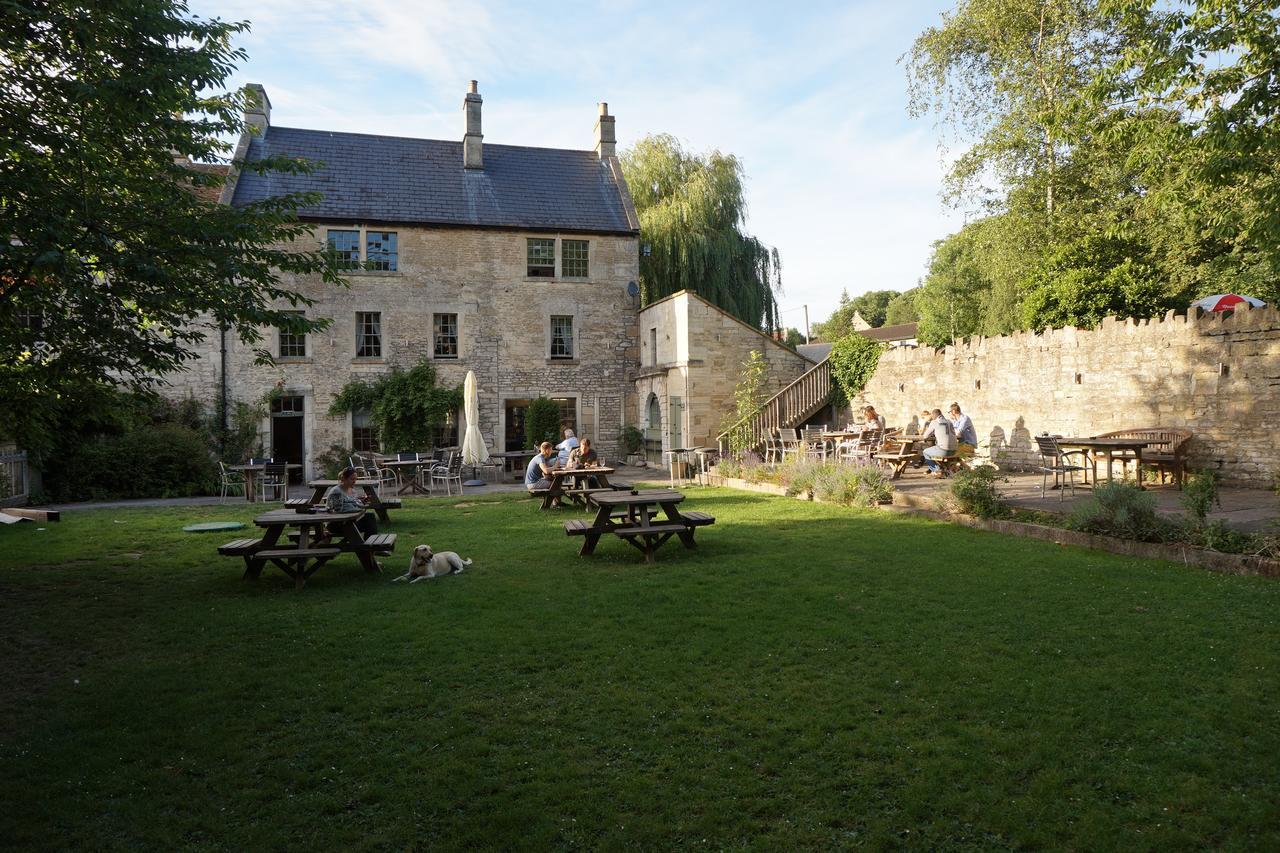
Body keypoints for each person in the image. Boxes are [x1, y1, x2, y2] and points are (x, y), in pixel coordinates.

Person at [322, 467, 378, 539]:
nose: (354, 481)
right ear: (344, 479)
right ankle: (369, 547)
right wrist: (357, 507)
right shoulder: (336, 492)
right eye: (352, 479)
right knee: (369, 522)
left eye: (355, 479)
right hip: (337, 523)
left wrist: (362, 502)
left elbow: (355, 504)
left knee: (370, 517)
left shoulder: (352, 490)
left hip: (349, 520)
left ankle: (371, 545)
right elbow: (338, 509)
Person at [921, 408, 958, 476]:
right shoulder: (949, 421)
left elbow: (925, 436)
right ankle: (945, 469)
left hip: (944, 450)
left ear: (934, 415)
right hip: (954, 450)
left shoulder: (934, 422)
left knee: (925, 452)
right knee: (937, 449)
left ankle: (938, 471)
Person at [525, 441, 560, 505]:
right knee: (556, 484)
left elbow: (545, 473)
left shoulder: (540, 458)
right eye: (551, 450)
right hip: (533, 484)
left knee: (555, 482)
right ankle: (556, 504)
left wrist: (553, 468)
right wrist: (555, 466)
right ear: (547, 450)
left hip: (532, 483)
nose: (551, 451)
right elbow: (546, 471)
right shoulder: (540, 458)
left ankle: (556, 503)